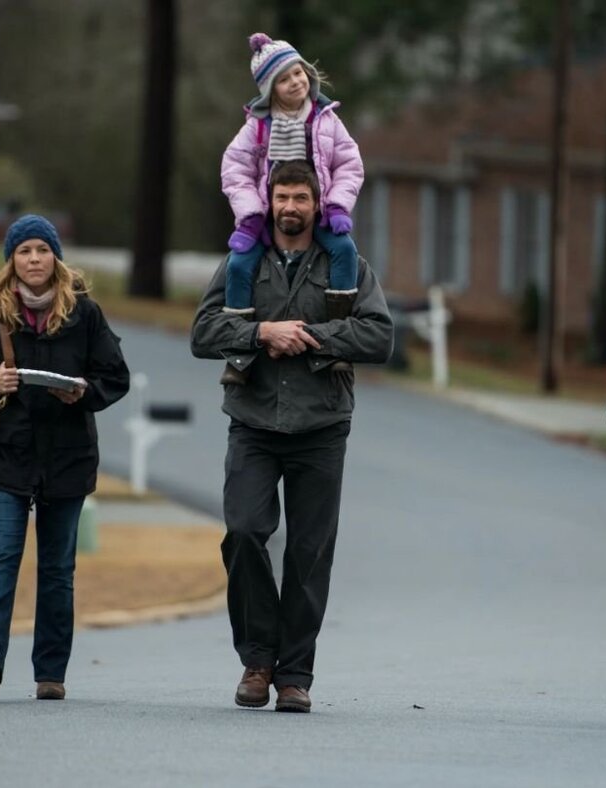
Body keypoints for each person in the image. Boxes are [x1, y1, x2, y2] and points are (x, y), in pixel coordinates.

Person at [190, 160, 393, 713]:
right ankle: (257, 661)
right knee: (244, 533)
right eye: (282, 197)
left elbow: (379, 336)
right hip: (253, 423)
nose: (291, 208)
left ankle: (294, 676)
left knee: (308, 554)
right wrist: (260, 332)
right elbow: (204, 332)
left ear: (317, 202)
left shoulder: (347, 265)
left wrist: (309, 336)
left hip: (321, 428)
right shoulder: (242, 262)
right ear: (269, 200)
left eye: (301, 197)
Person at [0, 214, 131, 701]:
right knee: (2, 556)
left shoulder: (84, 313)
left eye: (42, 251)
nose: (33, 259)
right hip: (7, 457)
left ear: (56, 258)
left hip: (67, 459)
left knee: (56, 570)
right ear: (12, 260)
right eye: (24, 251)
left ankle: (51, 673)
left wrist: (84, 392)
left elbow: (115, 375)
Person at [217, 32, 365, 386]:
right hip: (270, 214)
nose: (295, 82)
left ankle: (334, 343)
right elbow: (234, 169)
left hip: (319, 209)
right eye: (284, 79)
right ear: (270, 90)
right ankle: (240, 356)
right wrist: (251, 212)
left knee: (344, 251)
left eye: (298, 72)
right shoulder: (257, 127)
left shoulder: (326, 119)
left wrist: (338, 205)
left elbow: (350, 164)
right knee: (239, 265)